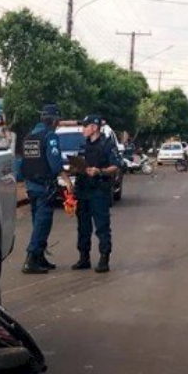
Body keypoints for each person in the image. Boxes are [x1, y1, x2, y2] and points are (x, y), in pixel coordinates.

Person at [17, 103, 71, 274]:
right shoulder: (50, 136)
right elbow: (55, 163)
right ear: (54, 121)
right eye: (58, 120)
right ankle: (31, 259)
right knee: (43, 224)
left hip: (31, 185)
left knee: (37, 222)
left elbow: (21, 163)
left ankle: (40, 257)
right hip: (44, 187)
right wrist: (67, 181)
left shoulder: (29, 136)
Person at [73, 115, 120, 273]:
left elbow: (116, 166)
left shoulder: (107, 144)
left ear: (94, 127)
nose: (83, 129)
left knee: (102, 226)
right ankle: (84, 258)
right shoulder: (83, 144)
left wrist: (99, 171)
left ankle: (104, 258)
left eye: (85, 126)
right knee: (83, 226)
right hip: (83, 190)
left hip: (99, 190)